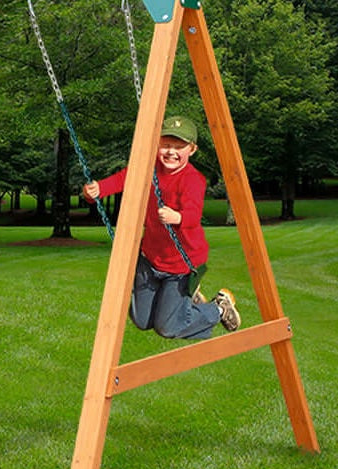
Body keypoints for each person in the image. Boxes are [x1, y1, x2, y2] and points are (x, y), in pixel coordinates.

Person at [83, 115, 240, 340]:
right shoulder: (148, 169)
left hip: (182, 262)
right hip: (151, 258)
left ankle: (217, 309)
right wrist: (97, 189)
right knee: (142, 320)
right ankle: (183, 306)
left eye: (179, 147)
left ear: (192, 149)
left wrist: (178, 217)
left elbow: (193, 214)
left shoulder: (193, 179)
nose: (171, 152)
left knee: (167, 328)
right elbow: (123, 179)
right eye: (166, 145)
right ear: (157, 144)